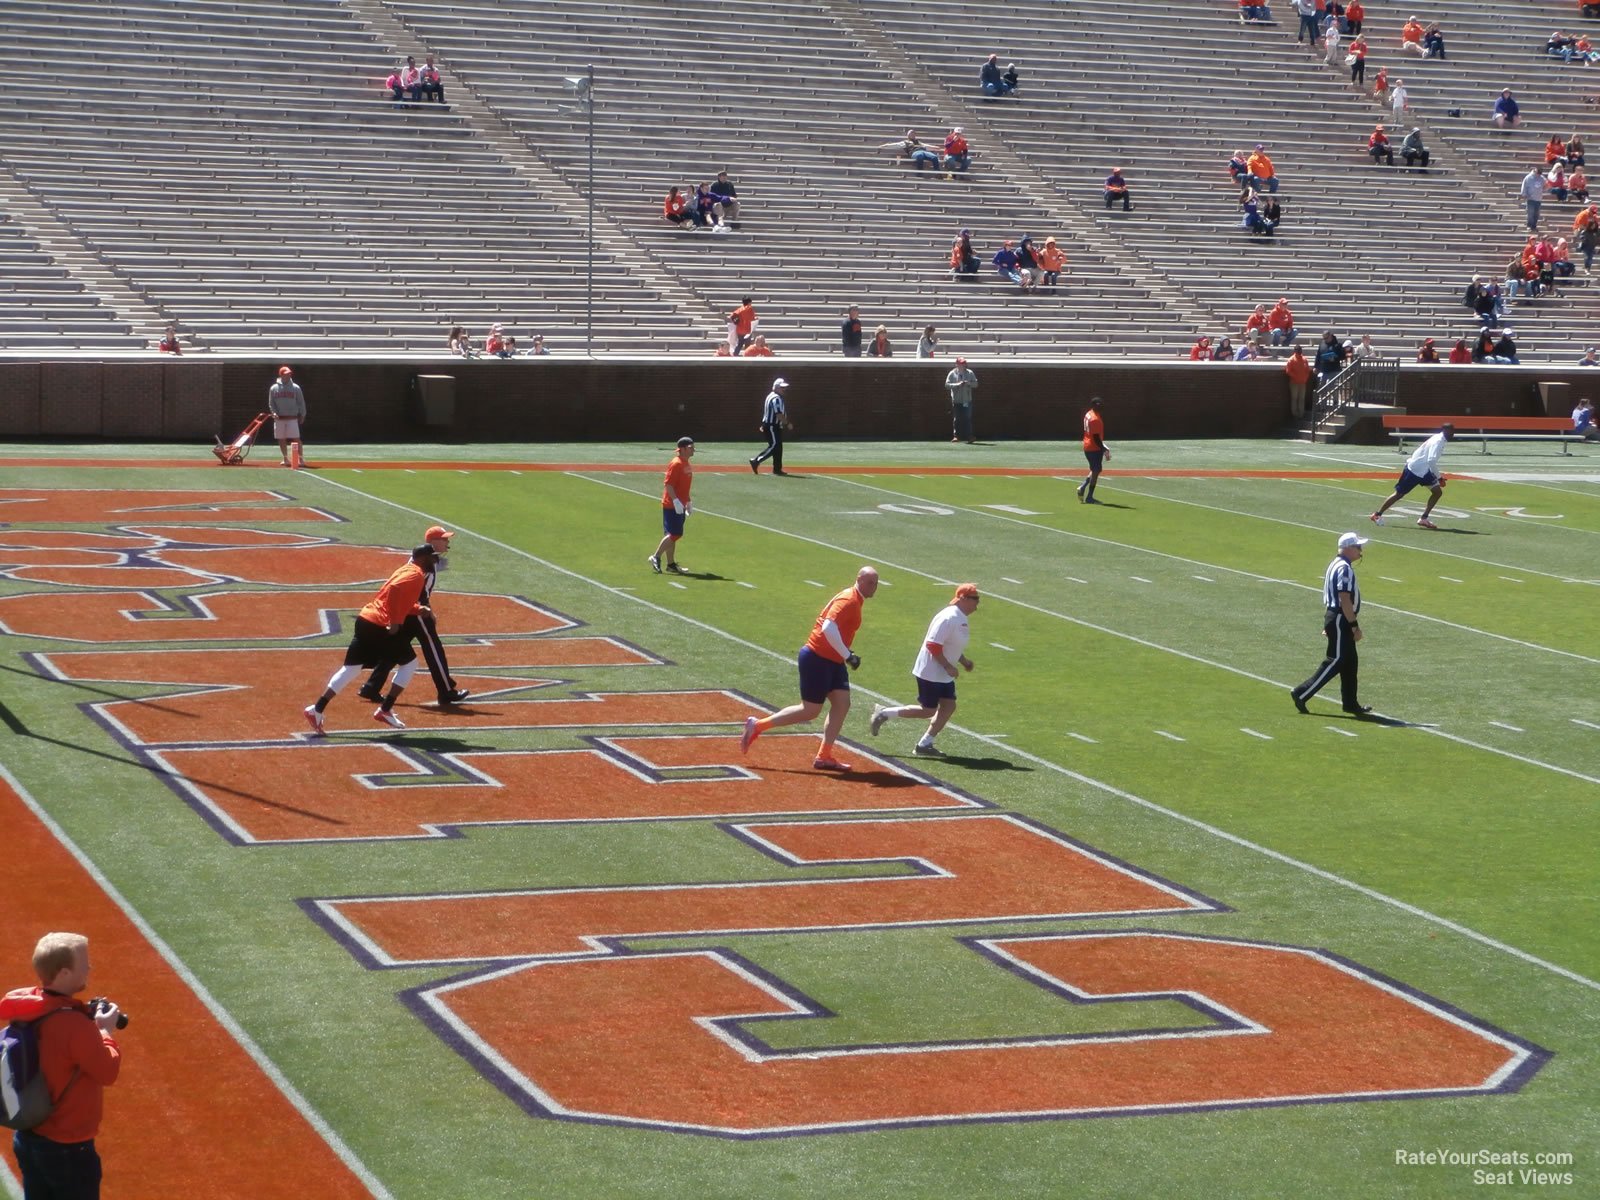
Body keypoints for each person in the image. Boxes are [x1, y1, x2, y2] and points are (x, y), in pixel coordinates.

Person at [2, 932, 124, 1200]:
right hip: (67, 1147)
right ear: (66, 973)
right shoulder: (73, 1024)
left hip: (29, 1137)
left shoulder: (27, 1005)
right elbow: (107, 1070)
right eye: (84, 963)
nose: (89, 967)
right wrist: (105, 1032)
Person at [741, 566, 880, 771]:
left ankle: (824, 756)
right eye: (870, 582)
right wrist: (848, 656)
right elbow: (828, 627)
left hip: (832, 660)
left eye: (876, 583)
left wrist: (844, 656)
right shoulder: (849, 600)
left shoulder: (854, 599)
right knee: (810, 711)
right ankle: (758, 725)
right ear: (858, 580)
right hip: (817, 658)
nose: (874, 587)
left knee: (842, 704)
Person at [304, 544, 440, 732]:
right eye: (432, 557)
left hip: (366, 619)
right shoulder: (416, 574)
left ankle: (317, 709)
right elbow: (393, 591)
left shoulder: (406, 569)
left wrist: (418, 609)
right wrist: (394, 622)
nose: (435, 561)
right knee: (409, 664)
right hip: (380, 626)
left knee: (351, 668)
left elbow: (398, 598)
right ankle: (385, 709)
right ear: (423, 558)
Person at [361, 526, 471, 706]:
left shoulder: (424, 557)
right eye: (444, 539)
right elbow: (418, 592)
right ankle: (446, 691)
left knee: (396, 649)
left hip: (408, 611)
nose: (447, 542)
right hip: (417, 611)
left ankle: (372, 687)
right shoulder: (425, 561)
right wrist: (427, 611)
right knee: (433, 649)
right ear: (433, 543)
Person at [869, 584, 980, 758]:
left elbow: (951, 645)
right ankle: (883, 713)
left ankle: (925, 743)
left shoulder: (960, 618)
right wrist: (947, 666)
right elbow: (933, 645)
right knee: (928, 710)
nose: (977, 604)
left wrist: (964, 661)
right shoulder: (949, 617)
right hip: (931, 671)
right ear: (963, 598)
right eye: (975, 599)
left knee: (949, 706)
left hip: (943, 674)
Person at [1289, 532, 1372, 717]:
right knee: (1335, 660)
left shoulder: (1336, 565)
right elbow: (1344, 598)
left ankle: (1350, 703)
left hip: (1336, 617)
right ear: (1349, 548)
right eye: (1358, 547)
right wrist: (1354, 626)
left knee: (1350, 662)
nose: (1361, 550)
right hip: (1342, 617)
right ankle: (1302, 692)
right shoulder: (1344, 568)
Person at [1371, 423, 1455, 528]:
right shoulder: (1438, 441)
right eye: (1452, 431)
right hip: (1414, 470)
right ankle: (1377, 514)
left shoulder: (1439, 438)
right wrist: (1439, 478)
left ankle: (1424, 518)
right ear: (1446, 431)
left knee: (1437, 492)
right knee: (1399, 494)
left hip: (1424, 470)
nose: (1453, 433)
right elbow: (1431, 461)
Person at [649, 437, 695, 575]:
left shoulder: (686, 463)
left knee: (671, 535)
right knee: (676, 533)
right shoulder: (676, 464)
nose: (694, 449)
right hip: (672, 505)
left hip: (680, 503)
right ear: (683, 448)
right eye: (691, 447)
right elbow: (668, 485)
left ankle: (671, 564)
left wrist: (688, 501)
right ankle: (656, 556)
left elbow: (684, 486)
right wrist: (675, 501)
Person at [267, 365, 306, 468]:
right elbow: (271, 403)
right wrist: (273, 412)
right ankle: (285, 458)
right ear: (281, 375)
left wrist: (302, 414)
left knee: (296, 439)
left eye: (289, 374)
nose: (288, 375)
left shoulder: (296, 387)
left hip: (292, 417)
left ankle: (300, 458)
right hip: (279, 418)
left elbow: (301, 402)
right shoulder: (274, 388)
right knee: (281, 439)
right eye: (286, 374)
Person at [749, 377, 790, 475]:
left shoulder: (771, 396)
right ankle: (756, 460)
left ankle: (777, 469)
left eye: (784, 388)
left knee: (778, 447)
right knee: (775, 446)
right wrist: (787, 423)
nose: (784, 389)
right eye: (782, 387)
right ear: (776, 387)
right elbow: (778, 414)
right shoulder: (776, 398)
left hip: (771, 425)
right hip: (773, 426)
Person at [1077, 396, 1110, 503]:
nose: (1099, 408)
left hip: (1088, 445)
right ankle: (1089, 496)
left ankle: (1083, 487)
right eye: (1097, 405)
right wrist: (1104, 449)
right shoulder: (1095, 419)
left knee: (1095, 469)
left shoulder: (1089, 414)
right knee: (1096, 471)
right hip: (1093, 447)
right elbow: (1096, 438)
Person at [945, 357, 977, 442]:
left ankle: (969, 436)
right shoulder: (952, 373)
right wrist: (957, 385)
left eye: (964, 363)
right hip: (956, 400)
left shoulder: (970, 373)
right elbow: (947, 385)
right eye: (961, 363)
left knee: (967, 418)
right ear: (957, 364)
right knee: (957, 419)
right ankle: (956, 436)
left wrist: (968, 383)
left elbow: (976, 384)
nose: (963, 365)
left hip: (967, 400)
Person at [1285, 345, 1313, 417]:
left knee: (1302, 398)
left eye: (1300, 351)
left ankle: (1301, 414)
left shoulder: (1304, 359)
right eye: (1298, 351)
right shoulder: (1291, 360)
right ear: (1295, 351)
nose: (1299, 352)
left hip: (1303, 382)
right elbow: (1288, 371)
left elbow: (1307, 370)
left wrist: (1305, 378)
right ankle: (1294, 414)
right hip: (1294, 382)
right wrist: (1296, 377)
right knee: (1294, 398)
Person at [1521, 165, 1547, 231]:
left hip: (1538, 199)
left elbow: (1546, 185)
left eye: (1540, 174)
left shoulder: (1542, 178)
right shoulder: (1528, 177)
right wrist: (1524, 194)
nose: (1538, 175)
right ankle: (1529, 225)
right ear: (1535, 171)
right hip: (1530, 198)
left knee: (1536, 214)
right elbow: (1524, 186)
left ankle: (1534, 226)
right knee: (1530, 213)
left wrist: (1544, 189)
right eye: (1538, 173)